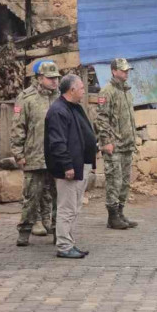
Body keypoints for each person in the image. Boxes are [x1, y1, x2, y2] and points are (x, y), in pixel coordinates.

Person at [45, 74, 97, 259]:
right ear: (71, 90)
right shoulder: (58, 111)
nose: (84, 90)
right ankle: (64, 246)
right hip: (70, 168)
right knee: (67, 208)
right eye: (81, 87)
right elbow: (57, 142)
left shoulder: (74, 107)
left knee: (74, 207)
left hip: (80, 164)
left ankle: (70, 242)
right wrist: (67, 165)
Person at [12, 60, 60, 247]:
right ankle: (24, 231)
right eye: (50, 78)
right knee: (32, 195)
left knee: (58, 197)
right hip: (35, 155)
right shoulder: (26, 98)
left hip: (57, 157)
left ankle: (58, 231)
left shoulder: (60, 97)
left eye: (56, 78)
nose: (54, 81)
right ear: (40, 78)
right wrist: (18, 153)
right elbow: (18, 127)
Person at [95, 58, 138, 230]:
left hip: (126, 144)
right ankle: (112, 216)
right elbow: (102, 119)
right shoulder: (107, 92)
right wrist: (106, 142)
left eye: (127, 70)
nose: (126, 72)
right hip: (114, 145)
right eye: (123, 70)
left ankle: (120, 212)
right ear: (114, 71)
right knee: (114, 181)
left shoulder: (126, 91)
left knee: (125, 181)